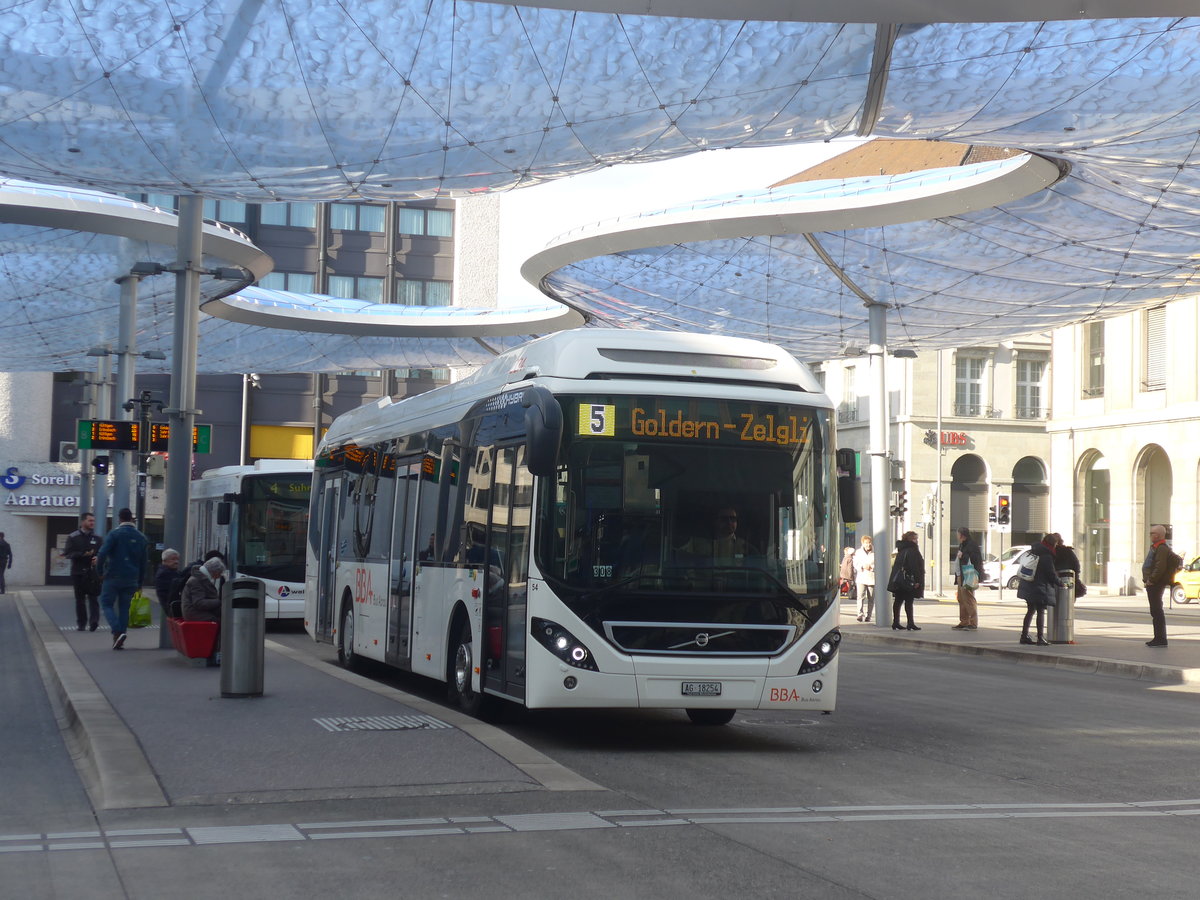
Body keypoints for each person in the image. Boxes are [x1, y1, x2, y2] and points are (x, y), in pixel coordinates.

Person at [96, 507, 149, 650]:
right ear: (131, 518)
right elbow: (144, 562)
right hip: (132, 578)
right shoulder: (141, 537)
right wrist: (140, 582)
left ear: (119, 519)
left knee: (106, 604)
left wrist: (100, 571)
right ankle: (120, 638)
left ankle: (117, 631)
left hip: (113, 575)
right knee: (125, 607)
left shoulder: (114, 535)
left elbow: (101, 554)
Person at [1017, 533, 1064, 646]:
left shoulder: (1033, 550)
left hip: (1028, 585)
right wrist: (1061, 583)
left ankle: (1024, 635)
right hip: (1039, 587)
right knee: (1040, 612)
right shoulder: (1046, 556)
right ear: (1052, 544)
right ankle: (1040, 638)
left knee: (1030, 611)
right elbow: (1051, 574)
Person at [181, 556, 227, 667]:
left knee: (224, 618)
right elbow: (199, 603)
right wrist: (220, 602)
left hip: (194, 611)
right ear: (213, 571)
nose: (219, 576)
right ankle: (214, 654)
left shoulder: (200, 578)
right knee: (218, 622)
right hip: (193, 613)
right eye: (219, 573)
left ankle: (217, 652)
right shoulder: (197, 581)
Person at [1141, 523, 1180, 648]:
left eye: (1151, 533)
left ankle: (1160, 638)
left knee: (1156, 611)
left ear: (1157, 535)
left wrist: (1151, 580)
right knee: (1156, 611)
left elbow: (1160, 566)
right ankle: (1158, 638)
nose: (1150, 535)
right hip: (1154, 583)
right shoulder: (1157, 547)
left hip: (1155, 584)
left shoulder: (1161, 548)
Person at [63, 512, 102, 632]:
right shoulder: (73, 537)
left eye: (93, 521)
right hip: (78, 572)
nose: (92, 523)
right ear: (83, 522)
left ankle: (94, 621)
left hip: (92, 572)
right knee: (80, 599)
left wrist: (98, 557)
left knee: (93, 597)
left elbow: (102, 552)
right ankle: (81, 623)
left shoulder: (97, 538)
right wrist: (82, 554)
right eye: (90, 521)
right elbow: (68, 554)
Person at [680, 507, 752, 565]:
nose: (729, 522)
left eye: (733, 519)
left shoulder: (745, 546)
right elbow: (683, 562)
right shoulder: (696, 543)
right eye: (724, 519)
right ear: (715, 521)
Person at [889, 530, 925, 631]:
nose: (916, 541)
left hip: (899, 580)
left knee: (898, 601)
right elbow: (914, 566)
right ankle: (910, 623)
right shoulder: (912, 550)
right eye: (915, 539)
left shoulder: (901, 549)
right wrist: (917, 580)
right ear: (910, 539)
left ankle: (896, 622)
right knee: (909, 601)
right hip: (908, 580)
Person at [952, 527, 983, 631]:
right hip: (961, 574)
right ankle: (964, 621)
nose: (957, 536)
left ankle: (973, 622)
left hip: (968, 574)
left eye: (958, 534)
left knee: (969, 599)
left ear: (962, 535)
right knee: (961, 598)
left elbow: (975, 560)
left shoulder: (971, 545)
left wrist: (963, 555)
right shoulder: (963, 544)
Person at [1051, 533, 1086, 598]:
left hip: (1053, 583)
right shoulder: (1068, 551)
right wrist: (1075, 577)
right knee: (1067, 602)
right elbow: (1076, 566)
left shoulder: (1049, 552)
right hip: (1068, 579)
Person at [154, 549, 183, 617]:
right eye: (173, 559)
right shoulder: (164, 573)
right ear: (164, 560)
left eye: (177, 559)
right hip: (172, 607)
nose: (176, 562)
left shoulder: (173, 572)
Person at [852, 535, 875, 622]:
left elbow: (880, 562)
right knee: (860, 596)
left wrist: (872, 567)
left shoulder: (875, 552)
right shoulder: (858, 552)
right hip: (861, 577)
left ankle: (869, 615)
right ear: (862, 543)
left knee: (871, 598)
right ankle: (860, 614)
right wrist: (862, 566)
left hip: (872, 578)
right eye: (866, 543)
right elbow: (855, 563)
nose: (868, 544)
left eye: (869, 542)